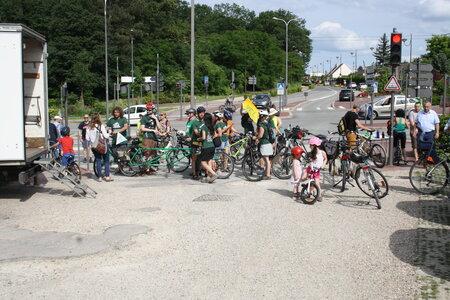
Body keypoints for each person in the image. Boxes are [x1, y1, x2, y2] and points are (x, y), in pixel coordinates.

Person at [87, 113, 112, 182]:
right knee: (106, 160)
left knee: (98, 160)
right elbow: (106, 136)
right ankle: (107, 176)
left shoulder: (88, 127)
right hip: (102, 145)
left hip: (94, 146)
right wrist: (109, 132)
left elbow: (87, 137)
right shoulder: (101, 126)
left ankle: (100, 177)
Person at [301, 137, 327, 202]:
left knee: (317, 183)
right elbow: (311, 162)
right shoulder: (312, 153)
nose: (309, 146)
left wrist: (323, 165)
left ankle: (319, 195)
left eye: (310, 145)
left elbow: (325, 159)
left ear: (314, 146)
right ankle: (307, 186)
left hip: (316, 170)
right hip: (310, 168)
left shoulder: (322, 152)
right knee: (303, 178)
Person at [140, 102, 161, 173]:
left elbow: (159, 127)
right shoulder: (144, 117)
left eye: (150, 110)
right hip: (147, 137)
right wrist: (152, 130)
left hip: (154, 138)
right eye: (147, 109)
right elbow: (142, 128)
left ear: (153, 110)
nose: (148, 111)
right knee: (147, 153)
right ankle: (146, 168)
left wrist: (155, 119)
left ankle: (150, 167)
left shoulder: (155, 117)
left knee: (153, 154)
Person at [198, 112, 219, 183]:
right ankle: (209, 177)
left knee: (203, 162)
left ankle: (213, 174)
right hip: (212, 146)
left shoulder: (204, 127)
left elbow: (203, 138)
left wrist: (199, 139)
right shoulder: (212, 126)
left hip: (206, 146)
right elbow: (215, 135)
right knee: (209, 161)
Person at [255, 110, 272, 180]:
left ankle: (268, 175)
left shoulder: (262, 125)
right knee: (267, 160)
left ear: (262, 116)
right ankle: (266, 173)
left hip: (264, 143)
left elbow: (261, 135)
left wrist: (255, 137)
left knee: (267, 160)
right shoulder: (267, 123)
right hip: (268, 142)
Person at [190, 106, 206, 180]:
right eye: (200, 113)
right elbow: (196, 132)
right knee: (194, 158)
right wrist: (203, 135)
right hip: (195, 142)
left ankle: (199, 171)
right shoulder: (195, 122)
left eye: (203, 113)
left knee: (201, 158)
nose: (202, 114)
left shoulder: (204, 121)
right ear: (197, 114)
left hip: (202, 142)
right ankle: (194, 173)